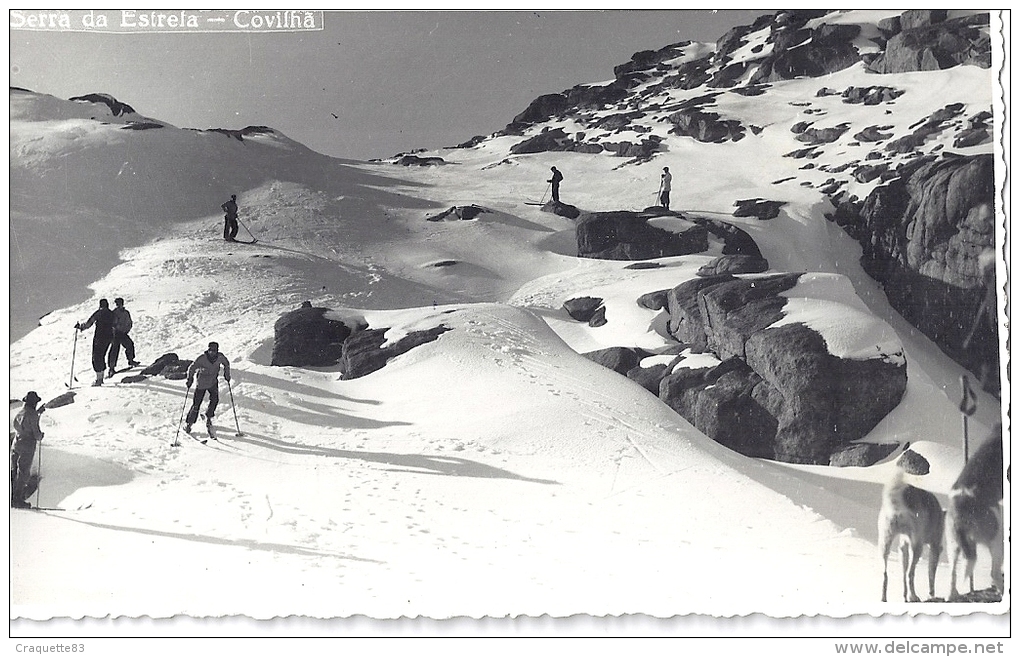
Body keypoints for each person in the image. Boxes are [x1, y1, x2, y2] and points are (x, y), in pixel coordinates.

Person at [184, 342, 231, 432]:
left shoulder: (220, 357)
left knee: (215, 400)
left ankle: (209, 417)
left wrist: (227, 374)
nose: (211, 352)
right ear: (208, 349)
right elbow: (192, 368)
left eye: (214, 350)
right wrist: (190, 379)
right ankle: (189, 424)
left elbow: (226, 364)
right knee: (196, 404)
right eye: (210, 350)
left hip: (213, 382)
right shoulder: (202, 358)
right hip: (201, 383)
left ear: (217, 351)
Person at [11, 391, 44, 508]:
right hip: (27, 446)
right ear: (34, 403)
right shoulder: (33, 415)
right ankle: (17, 499)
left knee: (13, 471)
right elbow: (36, 433)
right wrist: (41, 435)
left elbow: (20, 424)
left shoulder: (20, 412)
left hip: (16, 444)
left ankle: (10, 496)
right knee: (23, 472)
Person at [77, 298, 115, 386]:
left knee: (96, 356)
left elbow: (89, 323)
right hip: (109, 337)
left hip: (99, 337)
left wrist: (81, 327)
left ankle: (99, 379)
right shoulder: (111, 313)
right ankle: (101, 377)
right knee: (102, 355)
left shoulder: (99, 313)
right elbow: (116, 323)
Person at [108, 297, 140, 377]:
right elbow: (111, 323)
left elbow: (129, 322)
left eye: (119, 303)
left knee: (130, 344)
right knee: (115, 349)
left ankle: (131, 360)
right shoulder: (114, 313)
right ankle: (111, 368)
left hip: (123, 333)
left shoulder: (126, 313)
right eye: (117, 304)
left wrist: (127, 329)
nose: (118, 305)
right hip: (116, 333)